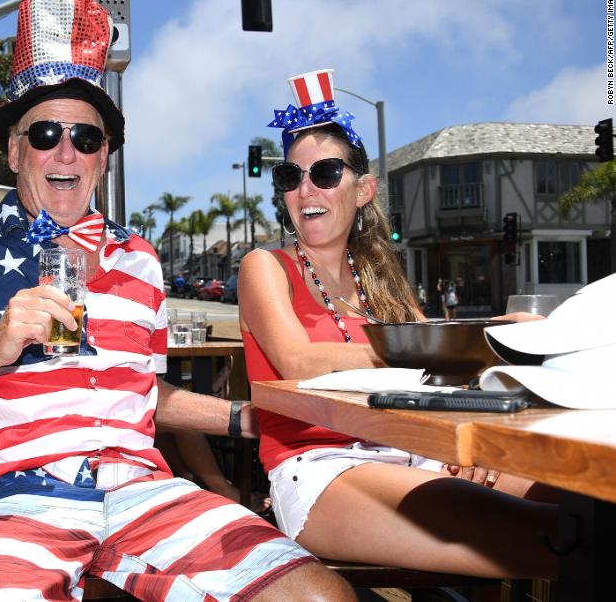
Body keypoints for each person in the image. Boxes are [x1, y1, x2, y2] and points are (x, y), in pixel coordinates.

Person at [0, 0, 353, 601]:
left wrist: (241, 418)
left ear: (104, 155)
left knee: (318, 596)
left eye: (86, 136)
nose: (66, 151)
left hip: (143, 492)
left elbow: (141, 392)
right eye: (46, 132)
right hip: (11, 499)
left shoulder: (140, 258)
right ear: (15, 150)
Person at [238, 69, 558, 579]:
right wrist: (477, 339)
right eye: (289, 176)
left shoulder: (382, 280)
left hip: (414, 449)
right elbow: (299, 361)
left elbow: (438, 370)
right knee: (554, 539)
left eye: (324, 173)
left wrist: (468, 435)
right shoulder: (265, 267)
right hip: (320, 467)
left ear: (363, 190)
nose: (305, 189)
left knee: (579, 500)